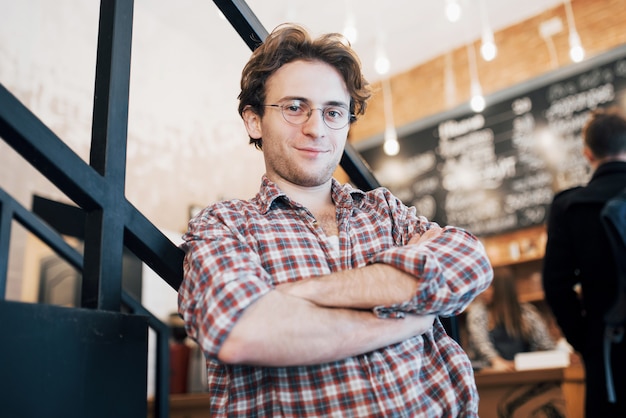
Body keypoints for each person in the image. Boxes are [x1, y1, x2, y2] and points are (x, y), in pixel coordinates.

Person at [178, 23, 493, 417]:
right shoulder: (225, 224)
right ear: (254, 120)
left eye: (333, 112)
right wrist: (409, 318)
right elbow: (242, 332)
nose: (316, 128)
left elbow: (469, 262)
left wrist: (298, 295)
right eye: (294, 107)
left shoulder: (386, 211)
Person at [543, 107, 626, 417]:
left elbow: (555, 286)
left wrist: (585, 340)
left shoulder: (570, 206)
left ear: (587, 153)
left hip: (606, 349)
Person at [466, 267, 556, 372]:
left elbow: (546, 344)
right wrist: (496, 361)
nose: (482, 291)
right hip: (490, 372)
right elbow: (481, 344)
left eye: (488, 286)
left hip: (524, 371)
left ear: (502, 289)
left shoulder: (527, 312)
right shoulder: (478, 313)